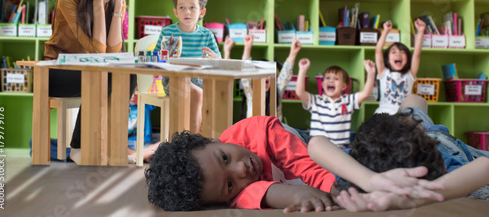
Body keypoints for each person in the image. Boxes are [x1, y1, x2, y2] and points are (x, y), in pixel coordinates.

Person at [145, 115, 444, 212]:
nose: (241, 170)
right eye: (229, 184)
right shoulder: (235, 194)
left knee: (415, 122)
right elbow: (263, 193)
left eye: (225, 157)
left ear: (212, 140)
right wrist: (300, 196)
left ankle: (414, 110)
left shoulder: (253, 130)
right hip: (354, 161)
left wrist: (336, 190)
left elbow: (305, 162)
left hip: (339, 153)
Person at [308, 95, 489, 212]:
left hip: (415, 136)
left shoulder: (361, 164)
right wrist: (419, 196)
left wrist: (369, 180)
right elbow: (484, 167)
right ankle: (411, 125)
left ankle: (410, 124)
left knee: (413, 101)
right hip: (436, 141)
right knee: (413, 101)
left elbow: (316, 143)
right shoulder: (451, 171)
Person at [44, 0, 137, 164]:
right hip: (58, 72)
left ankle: (113, 145)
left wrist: (116, 7)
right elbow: (98, 54)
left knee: (127, 75)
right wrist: (97, 2)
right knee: (99, 75)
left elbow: (113, 55)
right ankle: (78, 148)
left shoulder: (114, 0)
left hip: (92, 71)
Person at [154, 0, 221, 134]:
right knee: (197, 94)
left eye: (192, 7)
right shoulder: (167, 32)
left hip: (199, 80)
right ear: (175, 12)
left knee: (209, 93)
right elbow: (157, 56)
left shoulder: (207, 35)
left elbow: (219, 61)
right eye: (182, 7)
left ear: (202, 12)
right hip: (173, 79)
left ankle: (201, 137)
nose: (187, 12)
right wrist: (159, 63)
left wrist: (216, 58)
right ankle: (192, 140)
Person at [295, 59, 376, 147]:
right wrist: (302, 70)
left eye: (336, 79)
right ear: (322, 84)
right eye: (328, 78)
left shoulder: (348, 101)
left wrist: (371, 74)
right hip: (317, 148)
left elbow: (365, 94)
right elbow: (299, 92)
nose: (331, 81)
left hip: (340, 148)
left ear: (344, 86)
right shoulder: (315, 101)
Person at [223, 35, 302, 121]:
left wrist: (293, 53)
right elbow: (245, 75)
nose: (264, 77)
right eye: (261, 74)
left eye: (267, 73)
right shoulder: (251, 93)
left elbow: (285, 74)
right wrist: (247, 47)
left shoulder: (276, 92)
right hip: (254, 133)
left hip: (273, 133)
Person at [374, 19, 426, 114]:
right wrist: (385, 31)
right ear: (387, 59)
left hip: (403, 114)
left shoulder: (410, 75)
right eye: (394, 52)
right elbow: (378, 50)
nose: (398, 54)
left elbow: (417, 54)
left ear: (407, 59)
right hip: (384, 114)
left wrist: (421, 31)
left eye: (402, 52)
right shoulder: (383, 72)